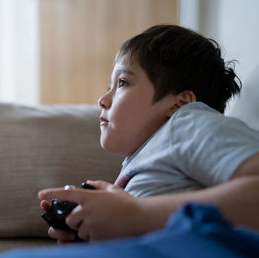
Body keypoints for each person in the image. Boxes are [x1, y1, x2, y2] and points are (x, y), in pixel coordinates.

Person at [38, 25, 259, 244]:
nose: (102, 100)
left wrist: (136, 213)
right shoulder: (143, 158)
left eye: (122, 82)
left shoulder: (188, 122)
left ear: (180, 102)